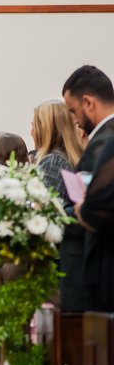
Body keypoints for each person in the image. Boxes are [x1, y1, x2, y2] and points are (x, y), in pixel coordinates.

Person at [61, 65, 114, 312]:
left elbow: (98, 207)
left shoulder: (106, 139)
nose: (74, 120)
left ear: (88, 102)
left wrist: (79, 208)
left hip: (103, 267)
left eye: (74, 111)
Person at [31, 100, 84, 203]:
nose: (31, 132)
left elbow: (46, 210)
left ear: (45, 129)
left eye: (34, 126)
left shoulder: (53, 162)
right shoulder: (70, 158)